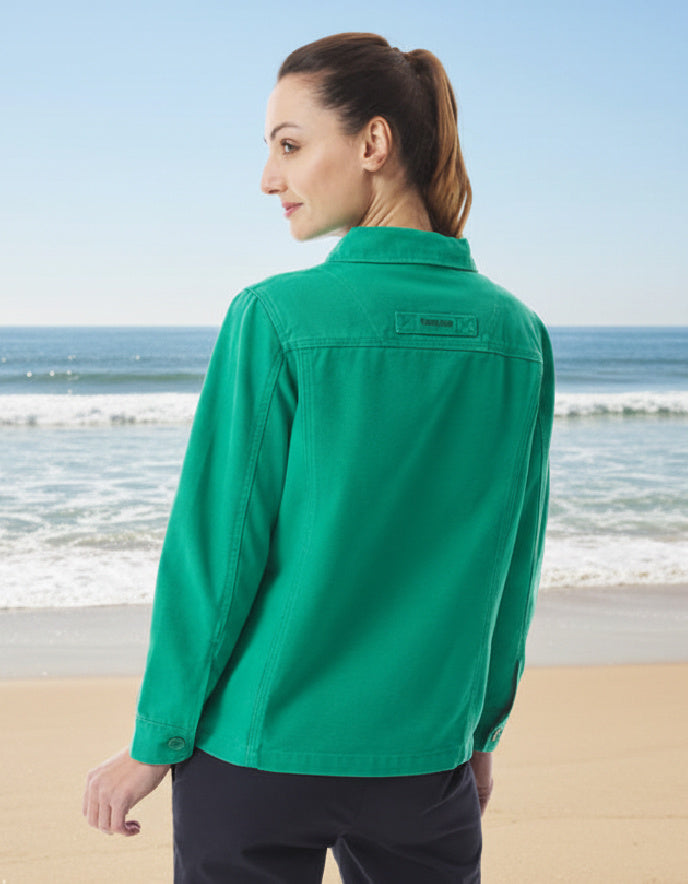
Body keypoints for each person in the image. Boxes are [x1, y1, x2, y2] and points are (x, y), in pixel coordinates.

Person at [83, 32, 554, 883]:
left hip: (255, 756)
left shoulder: (275, 316)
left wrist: (156, 742)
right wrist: (478, 734)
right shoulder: (519, 338)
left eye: (289, 146)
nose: (269, 178)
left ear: (373, 144)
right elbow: (511, 570)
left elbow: (217, 557)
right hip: (423, 764)